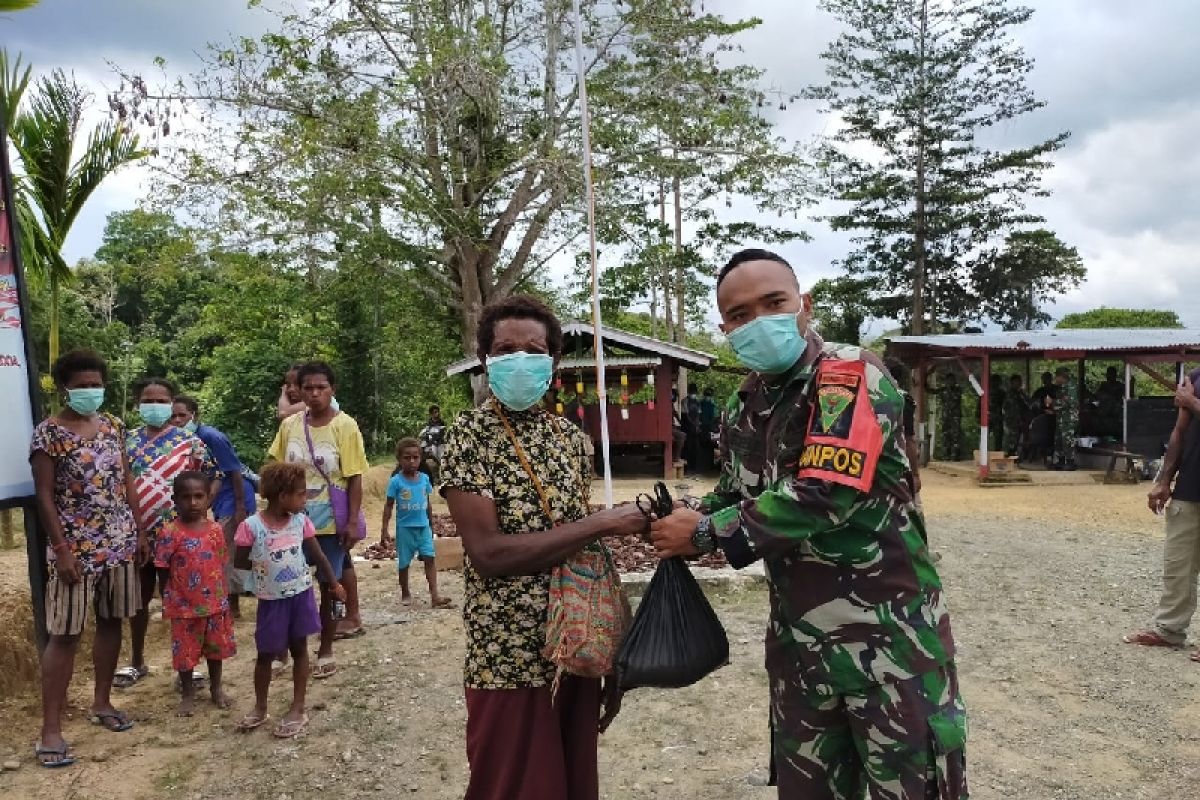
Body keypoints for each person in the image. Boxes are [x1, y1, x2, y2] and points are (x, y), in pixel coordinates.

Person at [650, 250, 965, 799]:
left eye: (774, 303)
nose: (759, 322)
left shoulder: (849, 375)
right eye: (740, 314)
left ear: (804, 306)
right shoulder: (743, 403)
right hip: (801, 649)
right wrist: (684, 514)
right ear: (725, 327)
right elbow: (736, 490)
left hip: (890, 644)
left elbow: (825, 493)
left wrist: (702, 535)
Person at [440, 294, 649, 800]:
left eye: (533, 350)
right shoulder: (467, 436)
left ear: (553, 363)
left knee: (572, 782)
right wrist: (600, 523)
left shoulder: (570, 438)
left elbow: (585, 556)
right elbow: (488, 555)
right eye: (505, 349)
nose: (519, 360)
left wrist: (610, 648)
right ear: (486, 360)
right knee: (511, 785)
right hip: (507, 649)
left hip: (573, 641)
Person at [29, 350, 149, 766]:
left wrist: (139, 530)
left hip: (118, 543)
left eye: (96, 385)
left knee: (112, 621)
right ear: (64, 387)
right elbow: (44, 495)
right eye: (82, 386)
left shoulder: (113, 425)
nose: (90, 392)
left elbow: (126, 480)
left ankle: (102, 702)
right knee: (64, 635)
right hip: (75, 551)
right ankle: (50, 729)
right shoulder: (49, 434)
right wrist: (61, 549)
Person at [267, 361, 368, 677]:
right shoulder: (290, 426)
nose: (314, 393)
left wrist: (352, 521)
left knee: (331, 587)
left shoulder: (346, 426)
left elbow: (354, 478)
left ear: (332, 390)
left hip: (330, 522)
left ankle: (326, 648)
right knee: (285, 587)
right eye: (307, 387)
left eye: (321, 387)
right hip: (291, 521)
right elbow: (276, 467)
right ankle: (282, 650)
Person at [234, 462, 345, 738]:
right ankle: (260, 707)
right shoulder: (251, 527)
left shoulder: (301, 522)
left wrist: (334, 584)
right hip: (271, 601)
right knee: (265, 654)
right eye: (300, 494)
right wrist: (259, 578)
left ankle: (298, 706)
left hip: (301, 595)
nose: (304, 499)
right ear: (282, 496)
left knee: (300, 649)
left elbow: (319, 557)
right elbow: (240, 563)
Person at [119, 377, 217, 689]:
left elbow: (214, 476)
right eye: (149, 400)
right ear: (138, 404)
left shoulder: (189, 442)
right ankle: (136, 661)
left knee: (181, 601)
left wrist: (200, 513)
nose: (156, 406)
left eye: (162, 401)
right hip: (139, 536)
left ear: (172, 403)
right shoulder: (126, 441)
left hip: (182, 539)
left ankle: (187, 666)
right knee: (140, 598)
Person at [1124, 368, 1200, 662]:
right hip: (1190, 487)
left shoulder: (1190, 391)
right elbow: (1179, 432)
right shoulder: (1195, 378)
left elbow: (1190, 409)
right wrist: (1164, 479)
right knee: (1178, 564)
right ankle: (1169, 630)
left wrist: (1192, 403)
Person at [154, 472, 236, 717]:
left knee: (215, 651)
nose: (193, 503)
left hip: (214, 604)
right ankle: (187, 694)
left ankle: (216, 688)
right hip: (183, 607)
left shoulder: (215, 530)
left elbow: (221, 563)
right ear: (175, 499)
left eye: (199, 496)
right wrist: (166, 599)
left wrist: (224, 599)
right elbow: (162, 568)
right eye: (186, 497)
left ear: (208, 498)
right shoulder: (170, 533)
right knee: (185, 654)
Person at [170, 395, 257, 618]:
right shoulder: (182, 439)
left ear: (194, 415)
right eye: (173, 416)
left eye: (182, 415)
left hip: (234, 498)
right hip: (219, 501)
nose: (177, 420)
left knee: (227, 552)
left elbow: (234, 470)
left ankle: (232, 606)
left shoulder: (210, 436)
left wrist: (240, 506)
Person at [382, 437, 451, 609]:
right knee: (404, 563)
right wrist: (384, 529)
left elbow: (427, 502)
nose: (412, 461)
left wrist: (430, 523)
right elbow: (389, 506)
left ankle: (435, 595)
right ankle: (405, 591)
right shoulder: (396, 482)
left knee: (429, 558)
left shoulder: (424, 480)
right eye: (407, 458)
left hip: (423, 527)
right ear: (399, 459)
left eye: (415, 457)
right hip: (405, 529)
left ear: (420, 458)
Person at [1051, 366, 1079, 470]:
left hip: (1069, 419)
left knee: (1068, 440)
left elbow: (1068, 402)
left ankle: (1070, 462)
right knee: (1059, 440)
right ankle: (1061, 461)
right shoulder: (1062, 387)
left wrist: (1052, 402)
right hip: (1061, 419)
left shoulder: (1070, 387)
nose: (1055, 379)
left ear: (1061, 376)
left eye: (1056, 376)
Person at [933, 370, 964, 461]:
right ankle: (946, 455)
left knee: (956, 436)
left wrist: (949, 389)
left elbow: (956, 398)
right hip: (945, 417)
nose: (949, 382)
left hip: (955, 417)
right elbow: (931, 391)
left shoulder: (957, 390)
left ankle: (955, 456)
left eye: (951, 380)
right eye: (948, 380)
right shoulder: (943, 389)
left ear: (954, 381)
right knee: (945, 436)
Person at [1003, 374, 1030, 458]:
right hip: (1011, 420)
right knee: (1011, 439)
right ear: (1012, 382)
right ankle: (1010, 455)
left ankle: (1015, 455)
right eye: (1017, 381)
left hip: (1019, 420)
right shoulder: (1009, 394)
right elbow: (1008, 408)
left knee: (1017, 439)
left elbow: (1028, 404)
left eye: (1020, 382)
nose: (1019, 383)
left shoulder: (1020, 393)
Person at [1095, 366, 1125, 439]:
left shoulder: (1119, 385)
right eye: (1108, 374)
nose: (1109, 376)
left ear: (1115, 375)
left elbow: (1130, 395)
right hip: (1104, 411)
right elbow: (1097, 396)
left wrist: (1131, 383)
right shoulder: (1103, 385)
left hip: (1116, 411)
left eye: (1111, 374)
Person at [419, 404, 447, 482]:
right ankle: (435, 476)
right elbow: (425, 432)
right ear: (431, 414)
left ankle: (443, 477)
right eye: (435, 412)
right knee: (434, 459)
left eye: (437, 412)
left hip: (441, 443)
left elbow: (443, 432)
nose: (437, 413)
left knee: (442, 460)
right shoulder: (429, 423)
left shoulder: (441, 422)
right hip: (433, 444)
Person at [989, 372, 1006, 452]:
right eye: (993, 381)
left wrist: (1004, 416)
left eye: (997, 381)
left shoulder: (1002, 393)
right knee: (984, 436)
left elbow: (1005, 405)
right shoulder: (986, 392)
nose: (995, 383)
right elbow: (980, 404)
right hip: (988, 417)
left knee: (998, 436)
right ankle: (983, 454)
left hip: (998, 418)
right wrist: (978, 416)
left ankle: (998, 453)